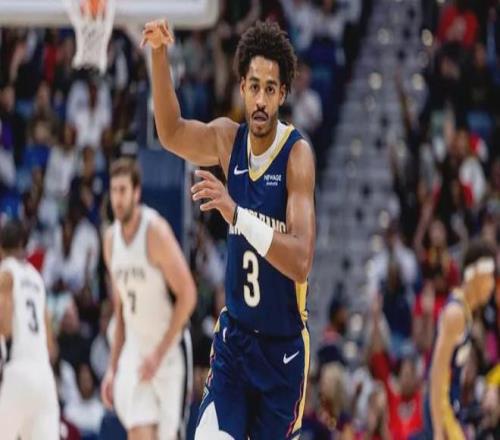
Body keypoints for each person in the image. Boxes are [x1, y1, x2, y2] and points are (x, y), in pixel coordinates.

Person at [142, 19, 316, 439]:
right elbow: (171, 132)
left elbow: (301, 261)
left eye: (270, 89)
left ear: (283, 94)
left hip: (282, 355)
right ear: (242, 88)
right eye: (254, 87)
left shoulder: (296, 156)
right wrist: (159, 55)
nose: (261, 100)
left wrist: (237, 215)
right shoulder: (227, 140)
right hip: (235, 346)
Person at [100, 158, 196, 440]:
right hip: (136, 353)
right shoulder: (110, 241)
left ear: (136, 192)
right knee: (138, 432)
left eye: (123, 190)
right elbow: (120, 311)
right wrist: (112, 368)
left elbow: (188, 295)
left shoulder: (155, 232)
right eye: (113, 191)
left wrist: (159, 353)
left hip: (169, 353)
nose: (117, 199)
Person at [425, 239, 496, 440]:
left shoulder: (466, 311)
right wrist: (438, 430)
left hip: (451, 405)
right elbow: (436, 374)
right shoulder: (455, 314)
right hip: (441, 407)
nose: (492, 284)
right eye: (490, 276)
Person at [0, 219, 60, 439]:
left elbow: (4, 324)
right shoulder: (37, 278)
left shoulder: (6, 273)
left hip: (17, 368)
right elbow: (51, 345)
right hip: (43, 375)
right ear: (23, 245)